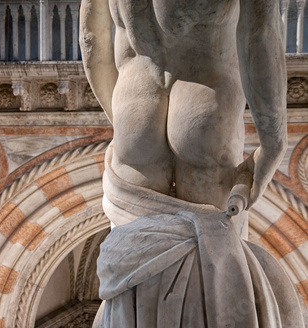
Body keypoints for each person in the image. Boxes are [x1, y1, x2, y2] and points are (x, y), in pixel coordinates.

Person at [80, 1, 305, 326]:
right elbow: (260, 28)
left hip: (135, 112)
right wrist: (273, 142)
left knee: (135, 281)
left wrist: (123, 122)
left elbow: (91, 40)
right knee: (211, 259)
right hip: (205, 110)